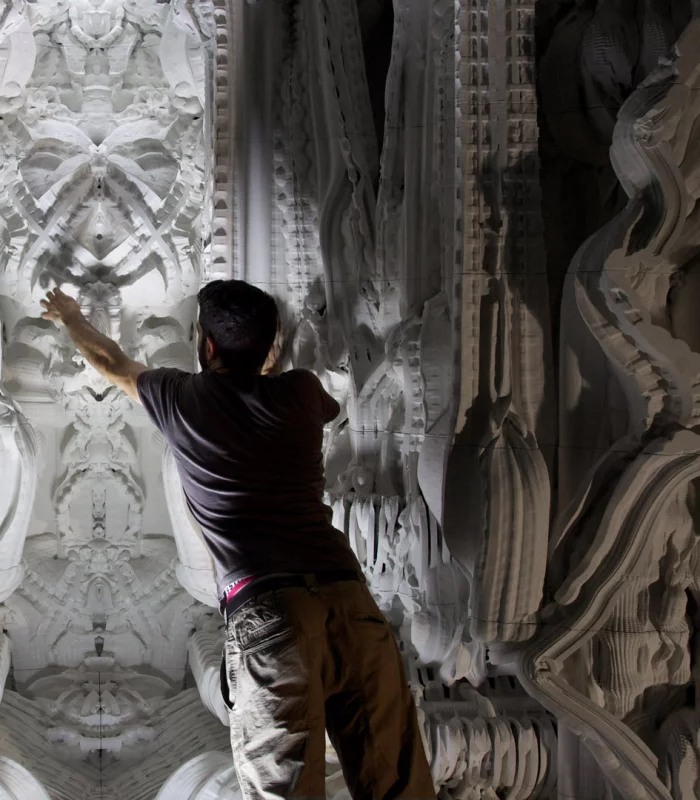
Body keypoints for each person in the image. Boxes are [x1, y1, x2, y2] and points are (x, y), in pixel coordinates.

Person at [40, 280, 435, 800]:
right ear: (271, 347)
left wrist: (70, 315)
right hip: (348, 599)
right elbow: (325, 410)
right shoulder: (300, 393)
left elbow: (112, 361)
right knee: (400, 785)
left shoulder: (181, 399)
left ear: (205, 345)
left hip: (271, 611)